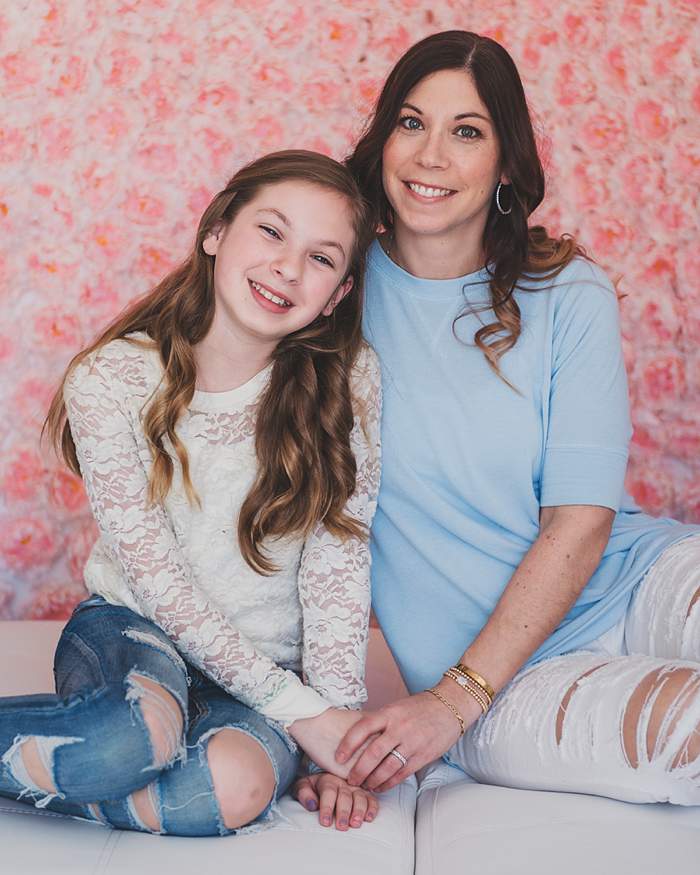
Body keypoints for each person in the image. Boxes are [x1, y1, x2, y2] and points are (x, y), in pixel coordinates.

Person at [334, 30, 700, 805]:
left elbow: (581, 521)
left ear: (505, 163)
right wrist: (453, 699)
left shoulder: (568, 291)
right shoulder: (330, 293)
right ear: (384, 140)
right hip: (495, 687)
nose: (431, 155)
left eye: (466, 131)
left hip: (634, 578)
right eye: (411, 122)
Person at [0, 150, 382, 836]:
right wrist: (303, 713)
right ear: (217, 231)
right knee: (133, 739)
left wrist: (336, 736)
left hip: (264, 674)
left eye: (322, 258)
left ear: (339, 294)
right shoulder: (110, 379)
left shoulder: (349, 378)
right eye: (271, 231)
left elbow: (339, 567)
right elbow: (158, 582)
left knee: (237, 787)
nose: (288, 268)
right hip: (134, 627)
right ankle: (101, 753)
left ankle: (71, 768)